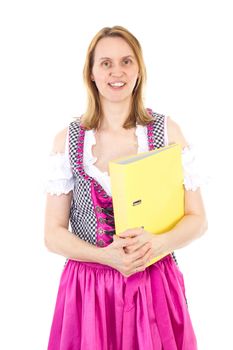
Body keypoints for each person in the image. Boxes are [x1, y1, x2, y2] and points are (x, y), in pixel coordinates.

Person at [44, 25, 208, 350]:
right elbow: (52, 234)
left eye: (126, 61)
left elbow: (198, 219)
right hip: (88, 291)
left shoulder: (166, 133)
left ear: (139, 69)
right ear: (91, 72)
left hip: (154, 284)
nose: (116, 72)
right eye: (105, 63)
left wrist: (159, 243)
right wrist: (104, 257)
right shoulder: (68, 140)